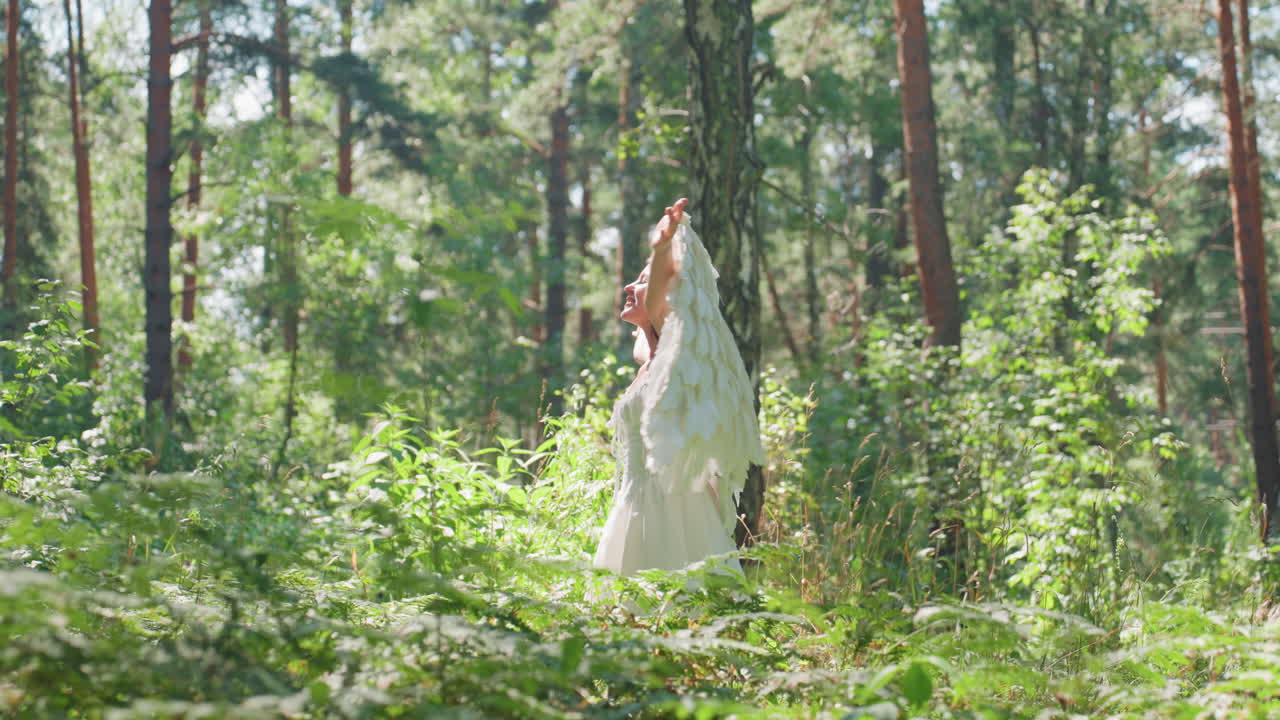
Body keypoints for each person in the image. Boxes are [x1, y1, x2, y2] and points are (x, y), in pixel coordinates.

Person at [592, 198, 765, 576]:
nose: (628, 286)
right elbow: (648, 330)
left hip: (670, 513)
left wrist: (664, 247)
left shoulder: (674, 355)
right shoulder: (652, 359)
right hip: (638, 504)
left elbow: (659, 301)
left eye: (640, 281)